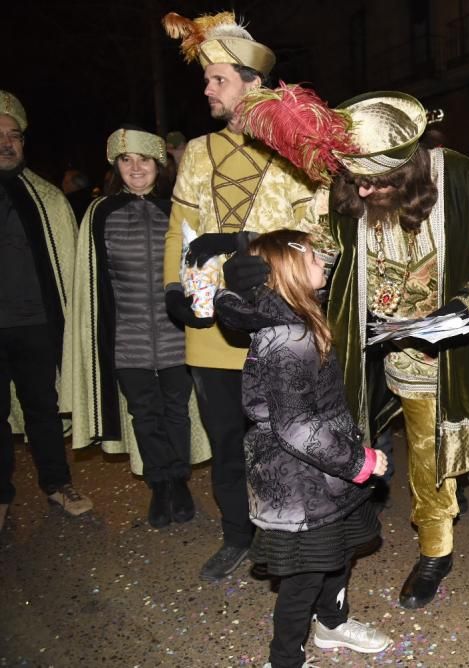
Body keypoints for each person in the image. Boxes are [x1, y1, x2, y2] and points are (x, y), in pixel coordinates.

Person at [233, 88, 469, 610]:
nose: (366, 190)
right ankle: (436, 551)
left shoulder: (463, 177)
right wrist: (261, 293)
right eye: (358, 180)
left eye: (378, 180)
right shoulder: (344, 189)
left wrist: (466, 304)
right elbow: (318, 262)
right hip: (401, 356)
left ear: (410, 164)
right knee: (425, 456)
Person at [161, 11, 327, 581]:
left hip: (278, 322)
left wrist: (252, 247)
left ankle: (293, 537)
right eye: (206, 80)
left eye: (218, 80)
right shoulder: (200, 152)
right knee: (228, 442)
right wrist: (171, 286)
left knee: (288, 438)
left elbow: (320, 233)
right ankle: (238, 535)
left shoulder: (295, 150)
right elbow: (180, 224)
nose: (207, 89)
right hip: (210, 328)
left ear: (251, 84)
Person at [215, 230, 391, 667]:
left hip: (322, 474)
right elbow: (295, 426)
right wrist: (358, 461)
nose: (322, 263)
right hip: (301, 481)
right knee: (306, 577)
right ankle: (285, 659)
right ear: (289, 271)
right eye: (313, 257)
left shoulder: (297, 319)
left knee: (338, 553)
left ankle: (331, 624)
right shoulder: (289, 338)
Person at [64, 127, 210, 528]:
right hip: (126, 335)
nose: (135, 168)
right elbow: (91, 281)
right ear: (116, 168)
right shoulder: (101, 213)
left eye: (143, 159)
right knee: (144, 414)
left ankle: (179, 480)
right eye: (125, 160)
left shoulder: (175, 209)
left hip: (176, 334)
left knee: (176, 410)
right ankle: (159, 484)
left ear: (158, 165)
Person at [0, 90, 92, 531]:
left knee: (44, 409)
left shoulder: (48, 199)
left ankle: (57, 484)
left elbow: (72, 266)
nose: (6, 142)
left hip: (36, 326)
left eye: (13, 134)